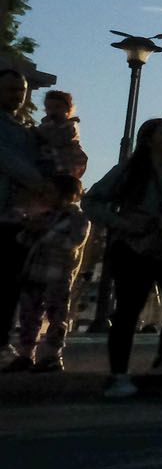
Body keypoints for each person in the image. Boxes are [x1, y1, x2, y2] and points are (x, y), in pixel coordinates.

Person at [85, 118, 162, 398]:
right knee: (128, 311)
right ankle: (119, 375)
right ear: (148, 138)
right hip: (133, 248)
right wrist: (122, 224)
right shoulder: (128, 170)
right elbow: (91, 200)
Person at [7, 174, 89, 372]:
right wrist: (30, 228)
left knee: (56, 315)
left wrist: (45, 233)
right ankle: (26, 354)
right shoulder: (43, 216)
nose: (46, 196)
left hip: (58, 274)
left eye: (51, 192)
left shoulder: (77, 217)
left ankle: (52, 355)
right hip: (34, 272)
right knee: (29, 315)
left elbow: (73, 242)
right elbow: (23, 240)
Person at [0, 70, 49, 339]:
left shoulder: (28, 129)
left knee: (11, 281)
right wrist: (40, 182)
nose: (17, 95)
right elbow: (7, 159)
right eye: (11, 89)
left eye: (21, 90)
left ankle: (3, 338)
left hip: (19, 218)